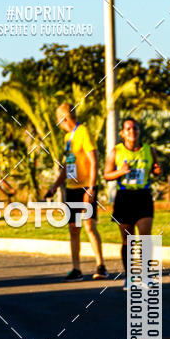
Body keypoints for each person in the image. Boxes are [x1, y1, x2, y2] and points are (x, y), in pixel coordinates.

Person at [44, 103, 108, 281]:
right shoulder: (68, 138)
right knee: (74, 228)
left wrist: (92, 188)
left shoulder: (83, 132)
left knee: (89, 225)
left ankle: (101, 266)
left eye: (59, 120)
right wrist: (55, 186)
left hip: (86, 187)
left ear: (64, 119)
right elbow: (67, 166)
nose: (59, 124)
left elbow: (94, 160)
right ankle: (76, 269)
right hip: (71, 188)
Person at [104, 117, 162, 288]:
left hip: (143, 196)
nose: (132, 131)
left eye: (135, 128)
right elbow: (107, 175)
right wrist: (120, 172)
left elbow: (156, 169)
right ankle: (129, 277)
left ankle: (145, 275)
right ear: (122, 133)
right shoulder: (116, 151)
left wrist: (158, 170)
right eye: (128, 129)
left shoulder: (149, 150)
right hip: (124, 197)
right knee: (127, 240)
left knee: (145, 237)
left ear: (139, 131)